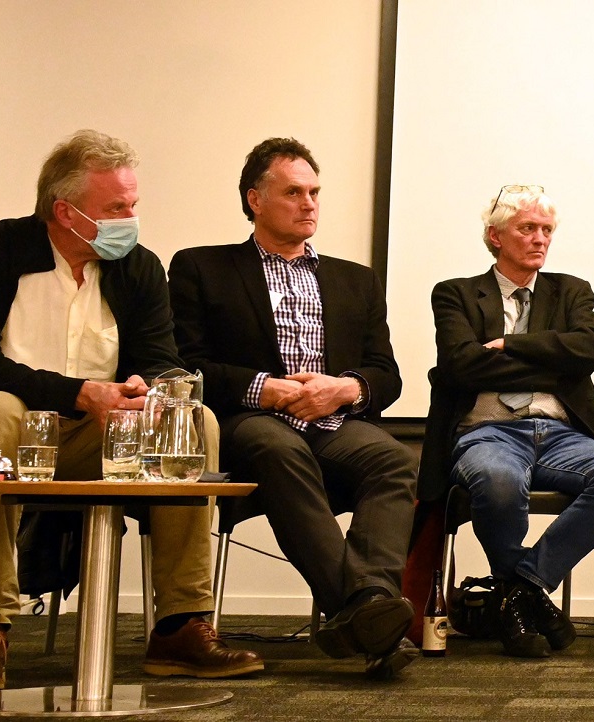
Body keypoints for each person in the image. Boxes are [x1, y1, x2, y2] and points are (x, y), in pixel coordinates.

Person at [0, 130, 261, 692]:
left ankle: (181, 624)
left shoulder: (138, 267)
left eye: (133, 205)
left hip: (96, 437)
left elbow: (162, 361)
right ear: (66, 211)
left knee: (192, 418)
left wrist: (142, 393)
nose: (130, 219)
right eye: (116, 208)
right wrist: (81, 393)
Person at [169, 138, 421, 678]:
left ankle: (369, 601)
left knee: (396, 460)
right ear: (255, 198)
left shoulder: (356, 279)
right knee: (279, 447)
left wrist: (344, 388)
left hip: (333, 422)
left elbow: (386, 372)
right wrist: (269, 389)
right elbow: (184, 365)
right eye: (293, 192)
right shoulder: (201, 269)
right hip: (250, 421)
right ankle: (362, 610)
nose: (309, 204)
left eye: (314, 193)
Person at [421, 185, 594, 658]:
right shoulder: (455, 293)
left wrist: (509, 346)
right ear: (495, 236)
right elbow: (461, 365)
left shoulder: (572, 291)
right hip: (486, 431)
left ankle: (516, 589)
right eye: (528, 228)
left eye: (546, 230)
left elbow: (589, 351)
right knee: (497, 481)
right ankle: (526, 595)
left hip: (560, 433)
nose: (540, 238)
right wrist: (552, 359)